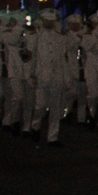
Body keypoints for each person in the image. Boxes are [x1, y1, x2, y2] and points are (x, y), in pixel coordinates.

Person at [30, 9, 68, 146]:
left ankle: (53, 136)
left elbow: (63, 59)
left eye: (52, 20)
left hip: (56, 76)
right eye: (47, 20)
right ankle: (35, 125)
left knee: (55, 108)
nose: (49, 22)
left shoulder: (60, 38)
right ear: (43, 20)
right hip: (41, 75)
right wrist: (31, 74)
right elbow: (32, 58)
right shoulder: (36, 37)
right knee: (40, 106)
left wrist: (65, 77)